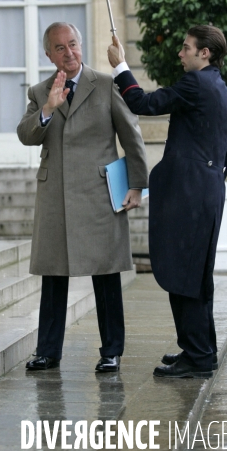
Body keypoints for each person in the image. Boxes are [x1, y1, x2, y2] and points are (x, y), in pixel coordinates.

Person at [17, 22, 148, 372]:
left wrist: (138, 185)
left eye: (72, 44)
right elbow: (25, 135)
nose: (69, 53)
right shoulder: (40, 91)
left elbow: (132, 136)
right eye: (59, 48)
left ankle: (111, 352)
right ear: (49, 54)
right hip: (55, 196)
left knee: (105, 275)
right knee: (53, 275)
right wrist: (47, 109)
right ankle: (47, 351)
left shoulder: (105, 85)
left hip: (98, 195)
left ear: (81, 45)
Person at [107, 25, 227, 379]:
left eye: (186, 47)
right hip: (205, 191)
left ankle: (197, 356)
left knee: (185, 274)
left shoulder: (197, 84)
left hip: (191, 193)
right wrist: (207, 180)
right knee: (194, 275)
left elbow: (143, 103)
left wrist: (120, 66)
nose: (180, 53)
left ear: (204, 53)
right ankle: (199, 351)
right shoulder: (221, 88)